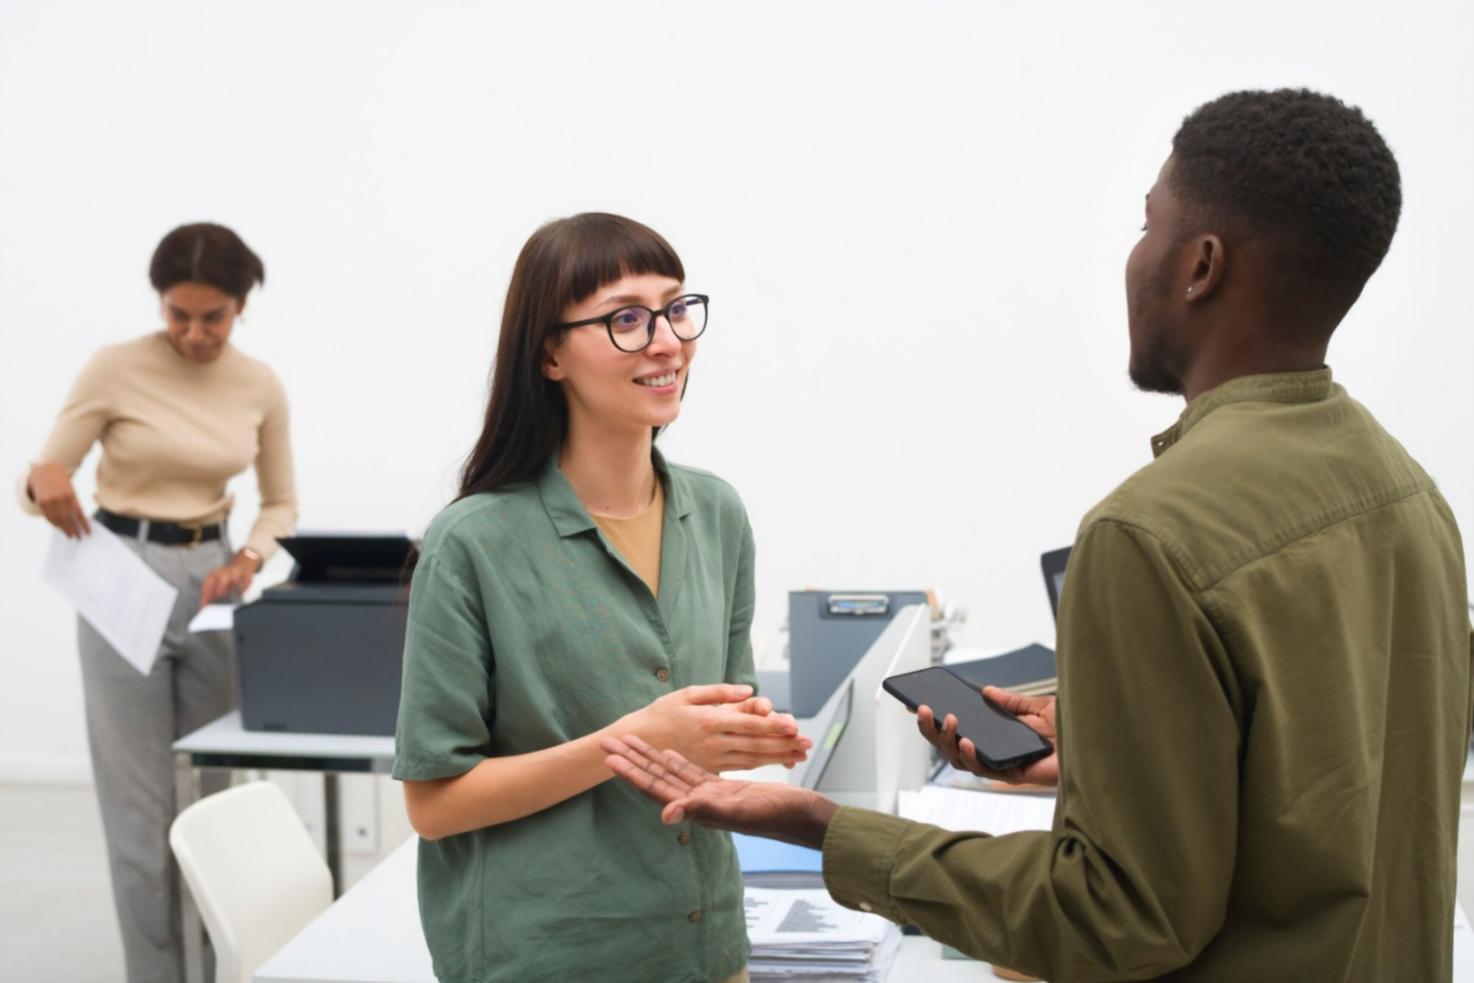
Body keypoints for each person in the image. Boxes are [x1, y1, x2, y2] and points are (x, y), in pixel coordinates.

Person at [605, 89, 1473, 980]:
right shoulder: (1409, 492)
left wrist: (828, 829)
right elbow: (1328, 776)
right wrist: (1107, 754)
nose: (1135, 255)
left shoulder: (1147, 535)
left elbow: (1117, 915)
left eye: (1149, 225)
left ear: (1201, 265)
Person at [392, 213, 812, 983]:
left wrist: (747, 739)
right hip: (547, 957)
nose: (667, 340)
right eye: (626, 318)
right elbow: (435, 803)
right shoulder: (472, 543)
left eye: (676, 308)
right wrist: (635, 741)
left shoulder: (717, 513)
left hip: (705, 948)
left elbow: (712, 728)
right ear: (550, 353)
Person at [21, 221, 298, 983]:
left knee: (208, 798)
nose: (194, 333)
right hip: (121, 572)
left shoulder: (260, 384)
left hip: (214, 577)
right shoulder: (114, 368)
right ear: (160, 303)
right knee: (139, 809)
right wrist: (42, 479)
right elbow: (45, 476)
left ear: (240, 306)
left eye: (213, 317)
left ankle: (217, 968)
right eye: (178, 314)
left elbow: (281, 502)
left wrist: (249, 556)